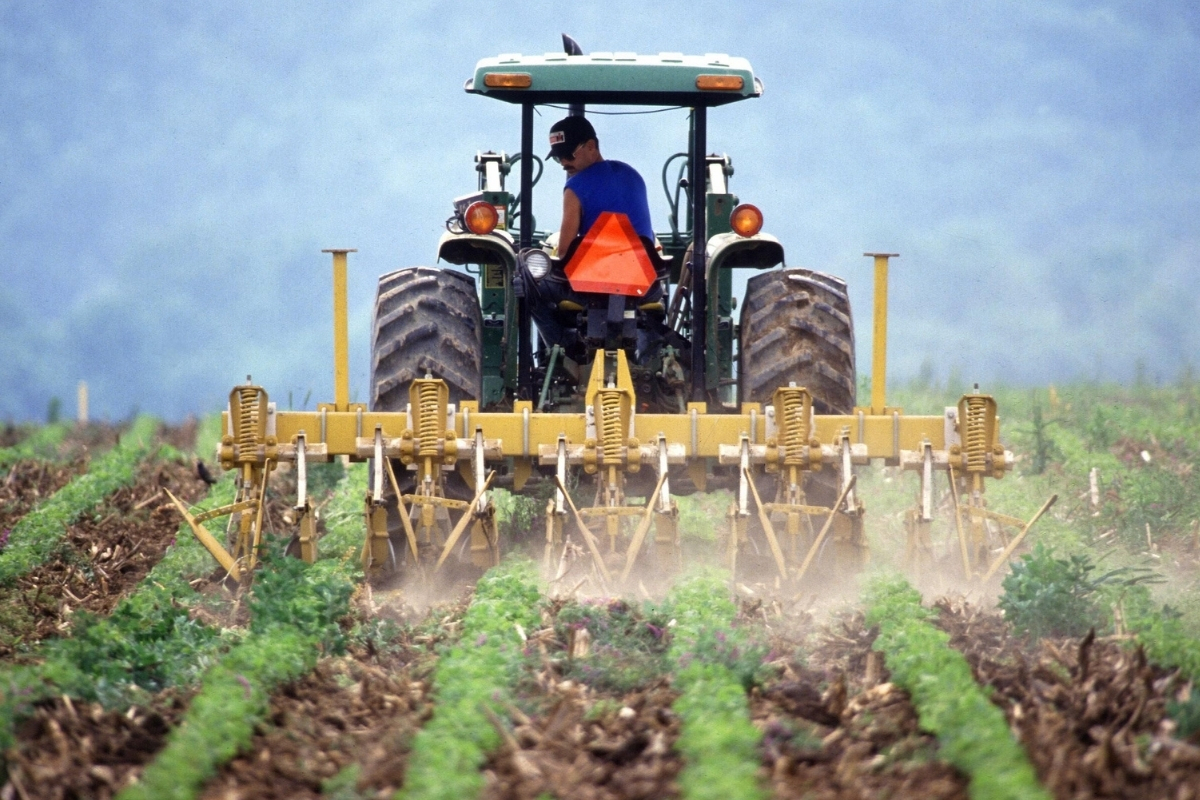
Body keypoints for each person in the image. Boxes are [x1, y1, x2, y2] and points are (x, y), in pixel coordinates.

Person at [524, 116, 661, 357]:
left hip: (593, 292)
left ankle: (566, 350)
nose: (564, 163)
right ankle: (648, 355)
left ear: (591, 146)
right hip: (644, 287)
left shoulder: (575, 188)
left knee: (528, 284)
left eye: (568, 154)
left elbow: (564, 253)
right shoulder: (633, 176)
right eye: (558, 157)